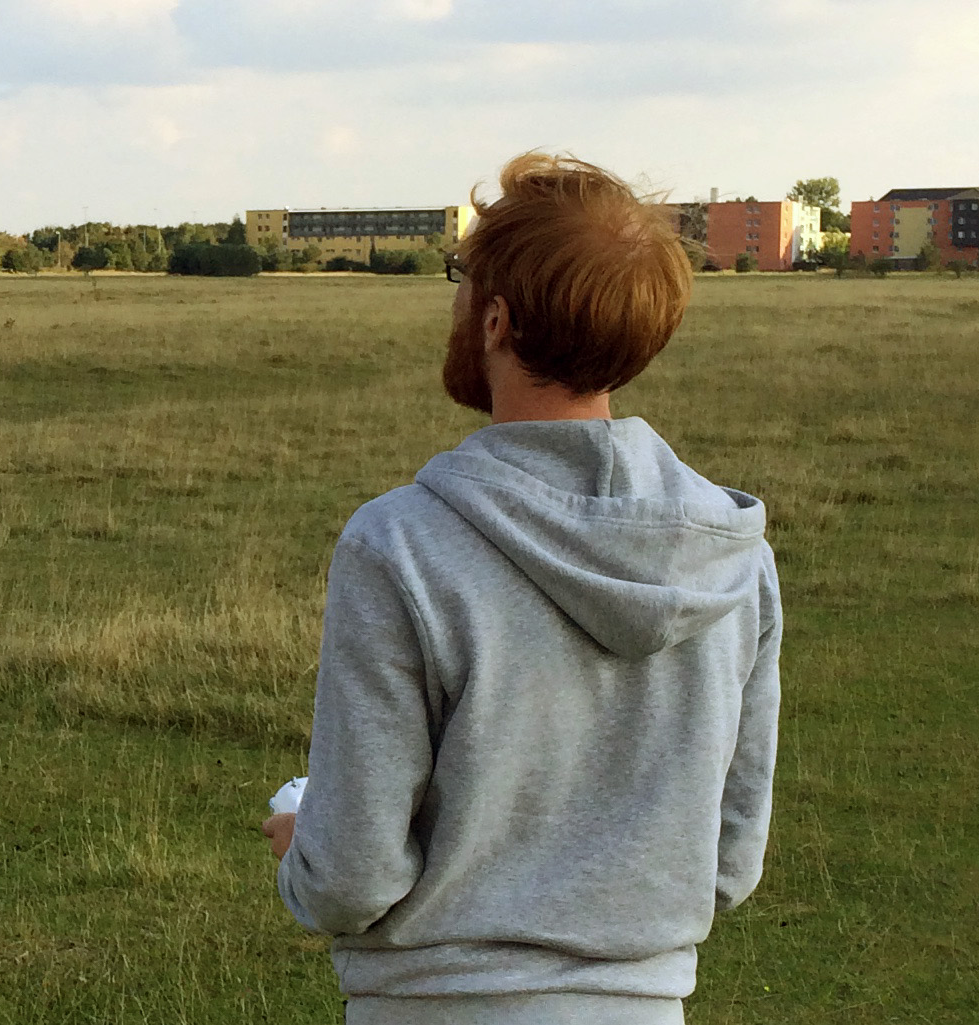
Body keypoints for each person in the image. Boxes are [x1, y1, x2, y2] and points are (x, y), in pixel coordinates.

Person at [265, 153, 781, 1024]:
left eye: (463, 282)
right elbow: (729, 862)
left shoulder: (398, 543)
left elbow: (352, 876)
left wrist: (299, 847)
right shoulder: (735, 555)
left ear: (497, 320)